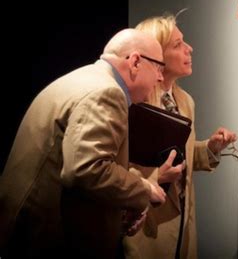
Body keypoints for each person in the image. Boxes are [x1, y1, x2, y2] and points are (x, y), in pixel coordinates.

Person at [0, 29, 168, 258]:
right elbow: (86, 170)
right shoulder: (107, 92)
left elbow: (74, 163)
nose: (160, 78)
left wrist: (122, 203)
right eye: (159, 67)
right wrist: (145, 189)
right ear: (135, 61)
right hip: (44, 241)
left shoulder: (84, 78)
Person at [123, 14, 237, 259]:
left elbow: (176, 155)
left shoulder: (185, 101)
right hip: (144, 226)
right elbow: (114, 168)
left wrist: (210, 148)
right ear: (156, 54)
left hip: (183, 222)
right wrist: (155, 178)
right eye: (177, 45)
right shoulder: (136, 103)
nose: (189, 49)